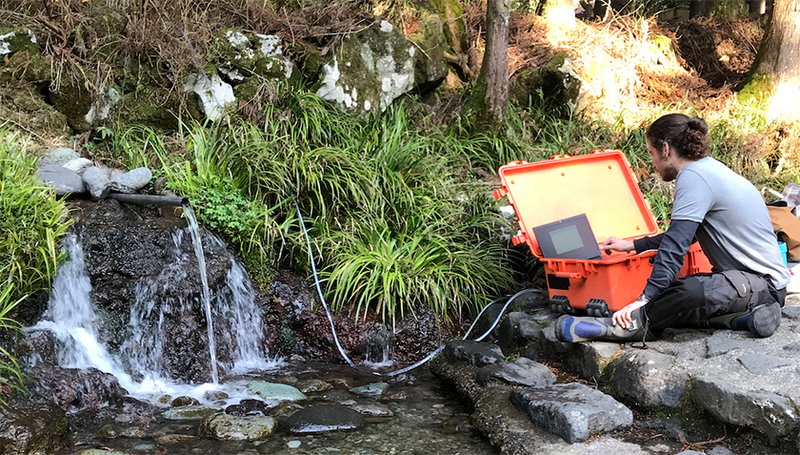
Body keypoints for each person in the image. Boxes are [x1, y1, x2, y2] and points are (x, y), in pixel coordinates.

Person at [556, 113, 791, 343]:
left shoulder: (694, 177)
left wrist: (645, 299)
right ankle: (741, 319)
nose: (652, 162)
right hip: (744, 281)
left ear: (666, 149)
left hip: (764, 284)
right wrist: (632, 245)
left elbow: (675, 247)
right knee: (686, 294)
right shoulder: (707, 168)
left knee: (688, 292)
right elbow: (683, 237)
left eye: (652, 153)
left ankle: (622, 328)